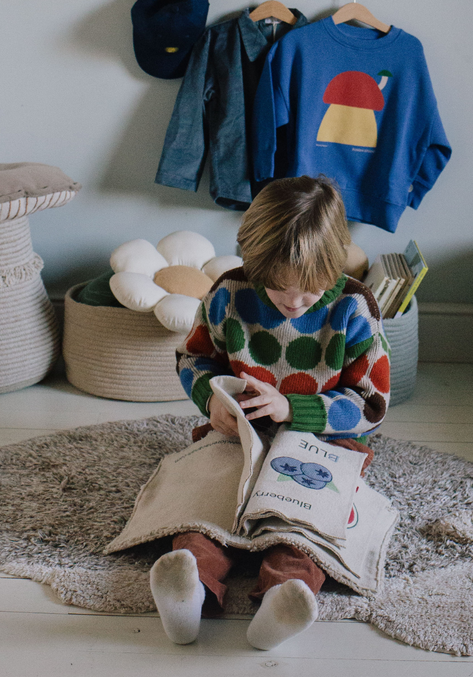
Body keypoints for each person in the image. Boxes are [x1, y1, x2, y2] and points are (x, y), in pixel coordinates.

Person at [150, 175, 391, 650]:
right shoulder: (228, 293)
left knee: (300, 523)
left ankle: (284, 598)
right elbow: (194, 359)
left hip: (321, 440)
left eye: (310, 290)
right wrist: (211, 399)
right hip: (239, 432)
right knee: (208, 507)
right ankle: (189, 587)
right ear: (253, 261)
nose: (295, 302)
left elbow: (371, 404)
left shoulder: (353, 306)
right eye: (280, 289)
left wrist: (292, 408)